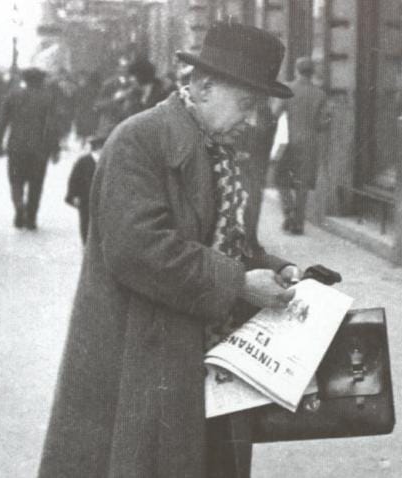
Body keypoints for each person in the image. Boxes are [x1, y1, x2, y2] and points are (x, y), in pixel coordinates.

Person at [38, 22, 300, 478]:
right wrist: (238, 283)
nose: (254, 121)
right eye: (247, 104)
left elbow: (225, 239)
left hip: (199, 355)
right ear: (201, 86)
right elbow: (137, 248)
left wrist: (279, 269)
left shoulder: (212, 145)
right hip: (142, 357)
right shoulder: (139, 139)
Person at [0, 67, 59, 230]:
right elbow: (52, 126)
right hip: (40, 149)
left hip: (16, 147)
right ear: (41, 80)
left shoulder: (13, 96)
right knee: (36, 184)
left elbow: (2, 123)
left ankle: (19, 207)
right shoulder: (48, 98)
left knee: (16, 181)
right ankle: (31, 218)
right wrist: (55, 149)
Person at [273, 56, 330, 234]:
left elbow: (275, 113)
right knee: (302, 184)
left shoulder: (287, 89)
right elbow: (322, 124)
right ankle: (298, 224)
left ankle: (289, 211)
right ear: (312, 72)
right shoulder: (320, 94)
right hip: (309, 144)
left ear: (296, 70)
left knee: (280, 178)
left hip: (288, 142)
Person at [64, 134, 104, 243]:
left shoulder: (107, 162)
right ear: (96, 149)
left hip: (103, 199)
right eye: (101, 148)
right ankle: (86, 243)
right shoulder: (83, 161)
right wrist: (73, 195)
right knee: (85, 221)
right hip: (85, 198)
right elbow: (74, 179)